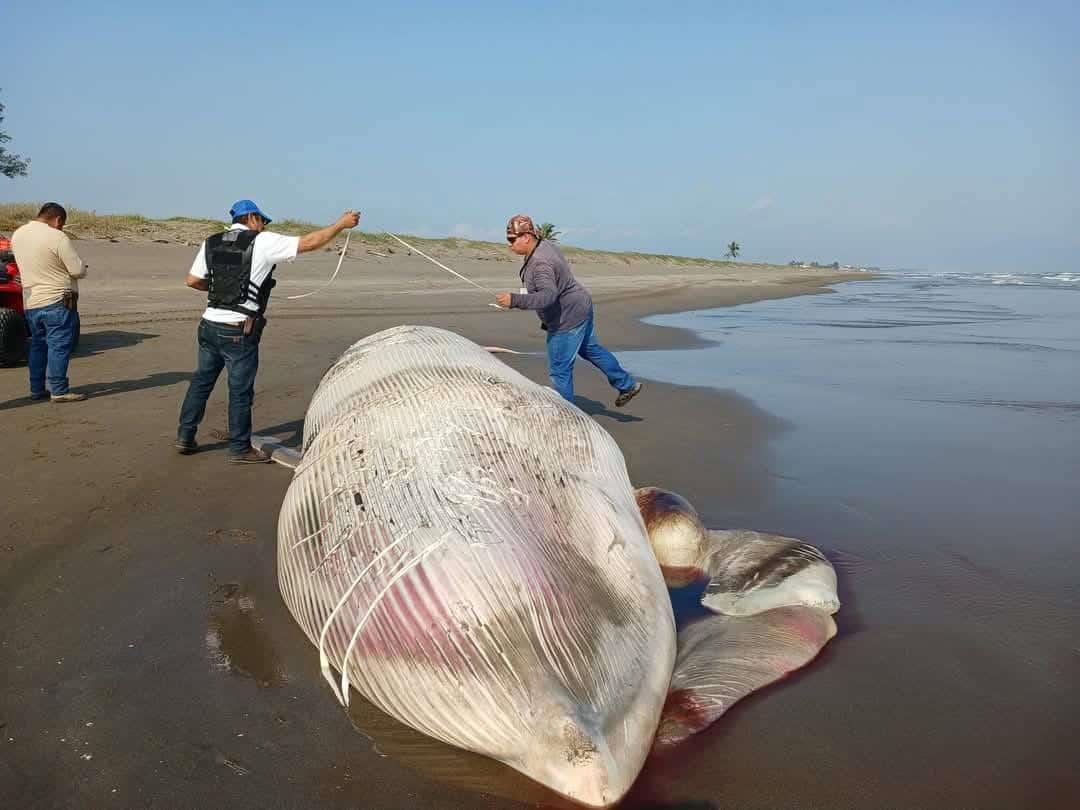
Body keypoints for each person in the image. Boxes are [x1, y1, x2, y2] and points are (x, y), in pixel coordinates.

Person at [175, 200, 360, 463]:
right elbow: (308, 243)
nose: (264, 226)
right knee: (240, 390)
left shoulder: (211, 241)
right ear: (251, 217)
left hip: (208, 325)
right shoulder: (262, 241)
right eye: (263, 221)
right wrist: (341, 224)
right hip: (238, 330)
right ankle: (239, 448)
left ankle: (185, 435)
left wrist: (224, 292)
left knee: (202, 382)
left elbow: (193, 280)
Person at [495, 214, 642, 407]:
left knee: (559, 370)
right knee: (591, 349)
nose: (509, 244)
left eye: (512, 239)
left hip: (568, 317)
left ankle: (567, 416)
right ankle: (627, 384)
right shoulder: (543, 244)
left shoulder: (540, 263)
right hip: (581, 305)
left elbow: (548, 297)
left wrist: (514, 300)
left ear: (527, 237)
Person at [11, 202, 88, 402]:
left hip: (31, 300)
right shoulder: (57, 236)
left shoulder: (18, 234)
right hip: (56, 299)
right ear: (58, 220)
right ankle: (59, 390)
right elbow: (77, 270)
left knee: (38, 345)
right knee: (59, 346)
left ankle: (37, 388)